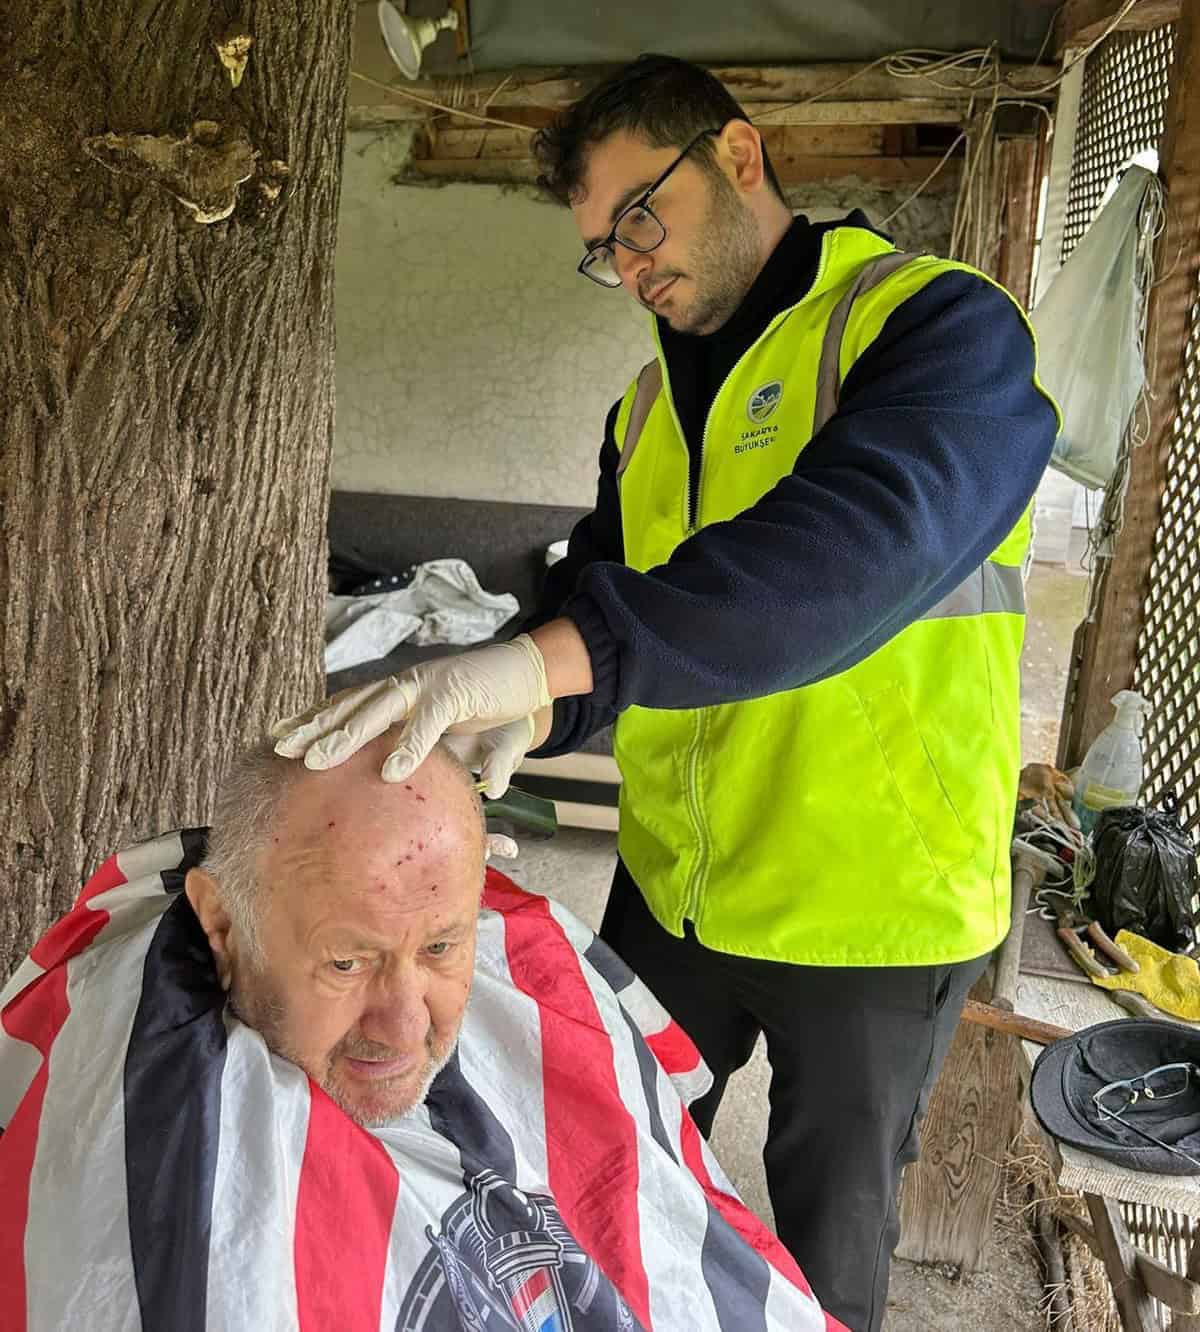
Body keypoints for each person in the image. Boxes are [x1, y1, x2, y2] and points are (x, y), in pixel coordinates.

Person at [274, 54, 1060, 1330]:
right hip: (676, 882)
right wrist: (524, 710)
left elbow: (838, 564)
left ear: (739, 157)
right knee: (616, 1175)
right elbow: (602, 593)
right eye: (603, 249)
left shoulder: (936, 332)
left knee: (824, 1244)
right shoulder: (645, 409)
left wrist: (544, 664)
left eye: (640, 217)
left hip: (872, 905)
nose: (630, 266)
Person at [0, 732, 840, 1331]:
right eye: (347, 962)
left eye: (441, 948)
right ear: (221, 925)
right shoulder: (152, 1160)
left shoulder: (523, 982)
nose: (406, 1026)